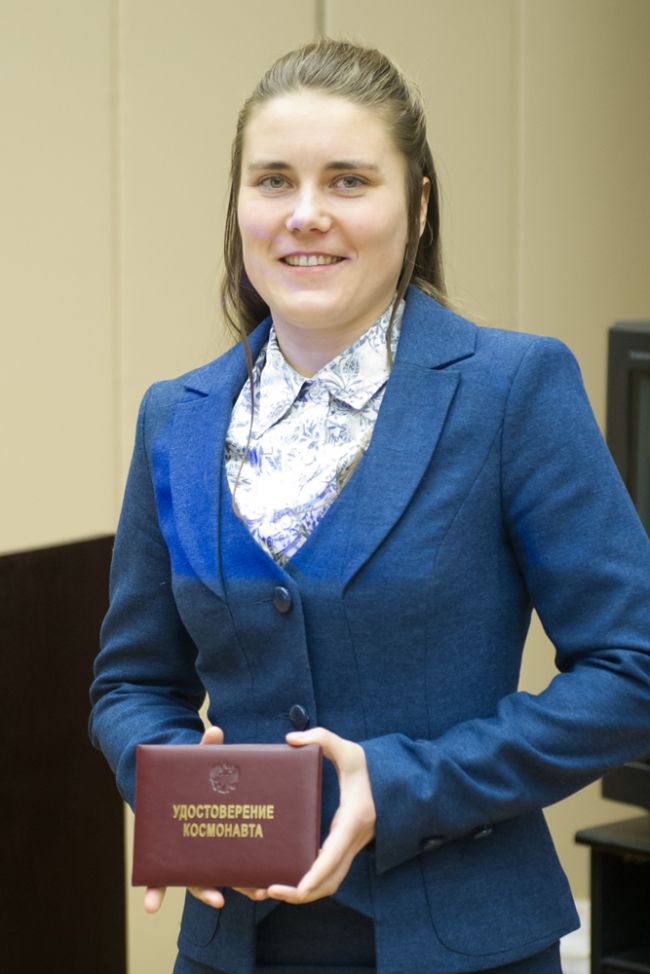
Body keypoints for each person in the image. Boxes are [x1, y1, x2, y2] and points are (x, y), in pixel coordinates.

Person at [89, 39, 650, 974]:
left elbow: (634, 669)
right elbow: (132, 685)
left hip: (467, 946)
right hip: (233, 947)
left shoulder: (513, 390)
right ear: (239, 207)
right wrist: (174, 792)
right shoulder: (173, 418)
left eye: (349, 180)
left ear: (418, 205)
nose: (306, 215)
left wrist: (400, 785)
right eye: (273, 180)